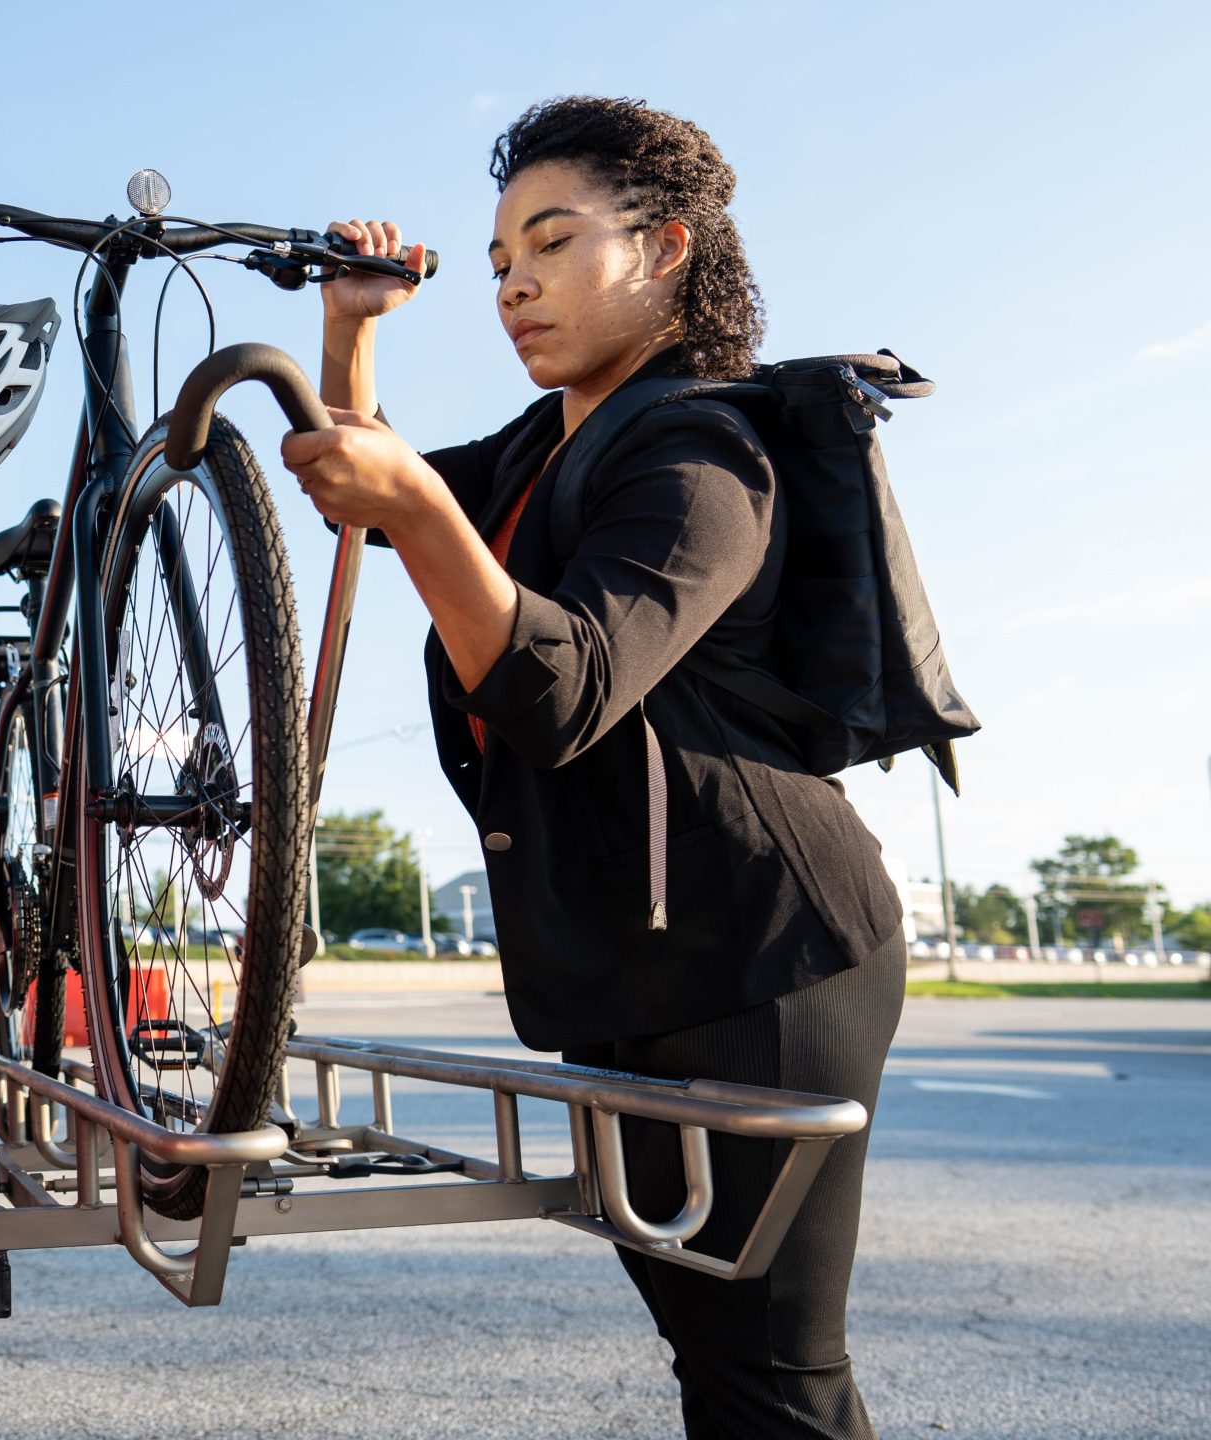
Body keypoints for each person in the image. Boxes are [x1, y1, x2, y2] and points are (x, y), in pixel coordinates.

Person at [276, 96, 906, 1439]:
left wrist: (419, 504)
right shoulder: (535, 451)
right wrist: (352, 329)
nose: (513, 284)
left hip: (766, 956)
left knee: (772, 1379)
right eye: (500, 259)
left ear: (668, 247)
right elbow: (357, 494)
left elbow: (565, 688)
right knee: (712, 1361)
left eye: (551, 244)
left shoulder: (703, 452)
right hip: (633, 955)